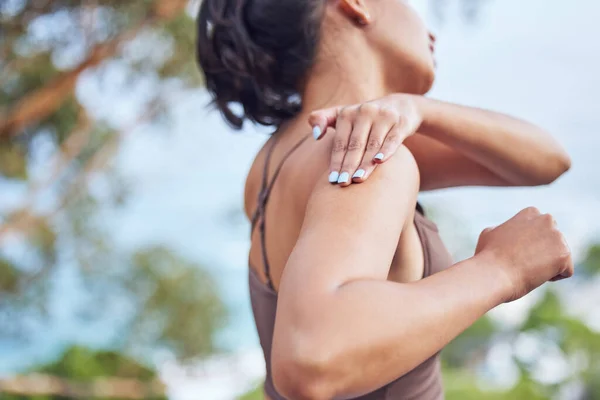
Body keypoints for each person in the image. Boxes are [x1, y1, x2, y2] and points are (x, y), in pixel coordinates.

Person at [196, 0, 573, 399]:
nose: (429, 30)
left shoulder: (271, 166)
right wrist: (502, 269)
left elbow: (548, 160)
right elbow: (310, 358)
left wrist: (418, 109)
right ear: (356, 4)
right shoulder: (361, 155)